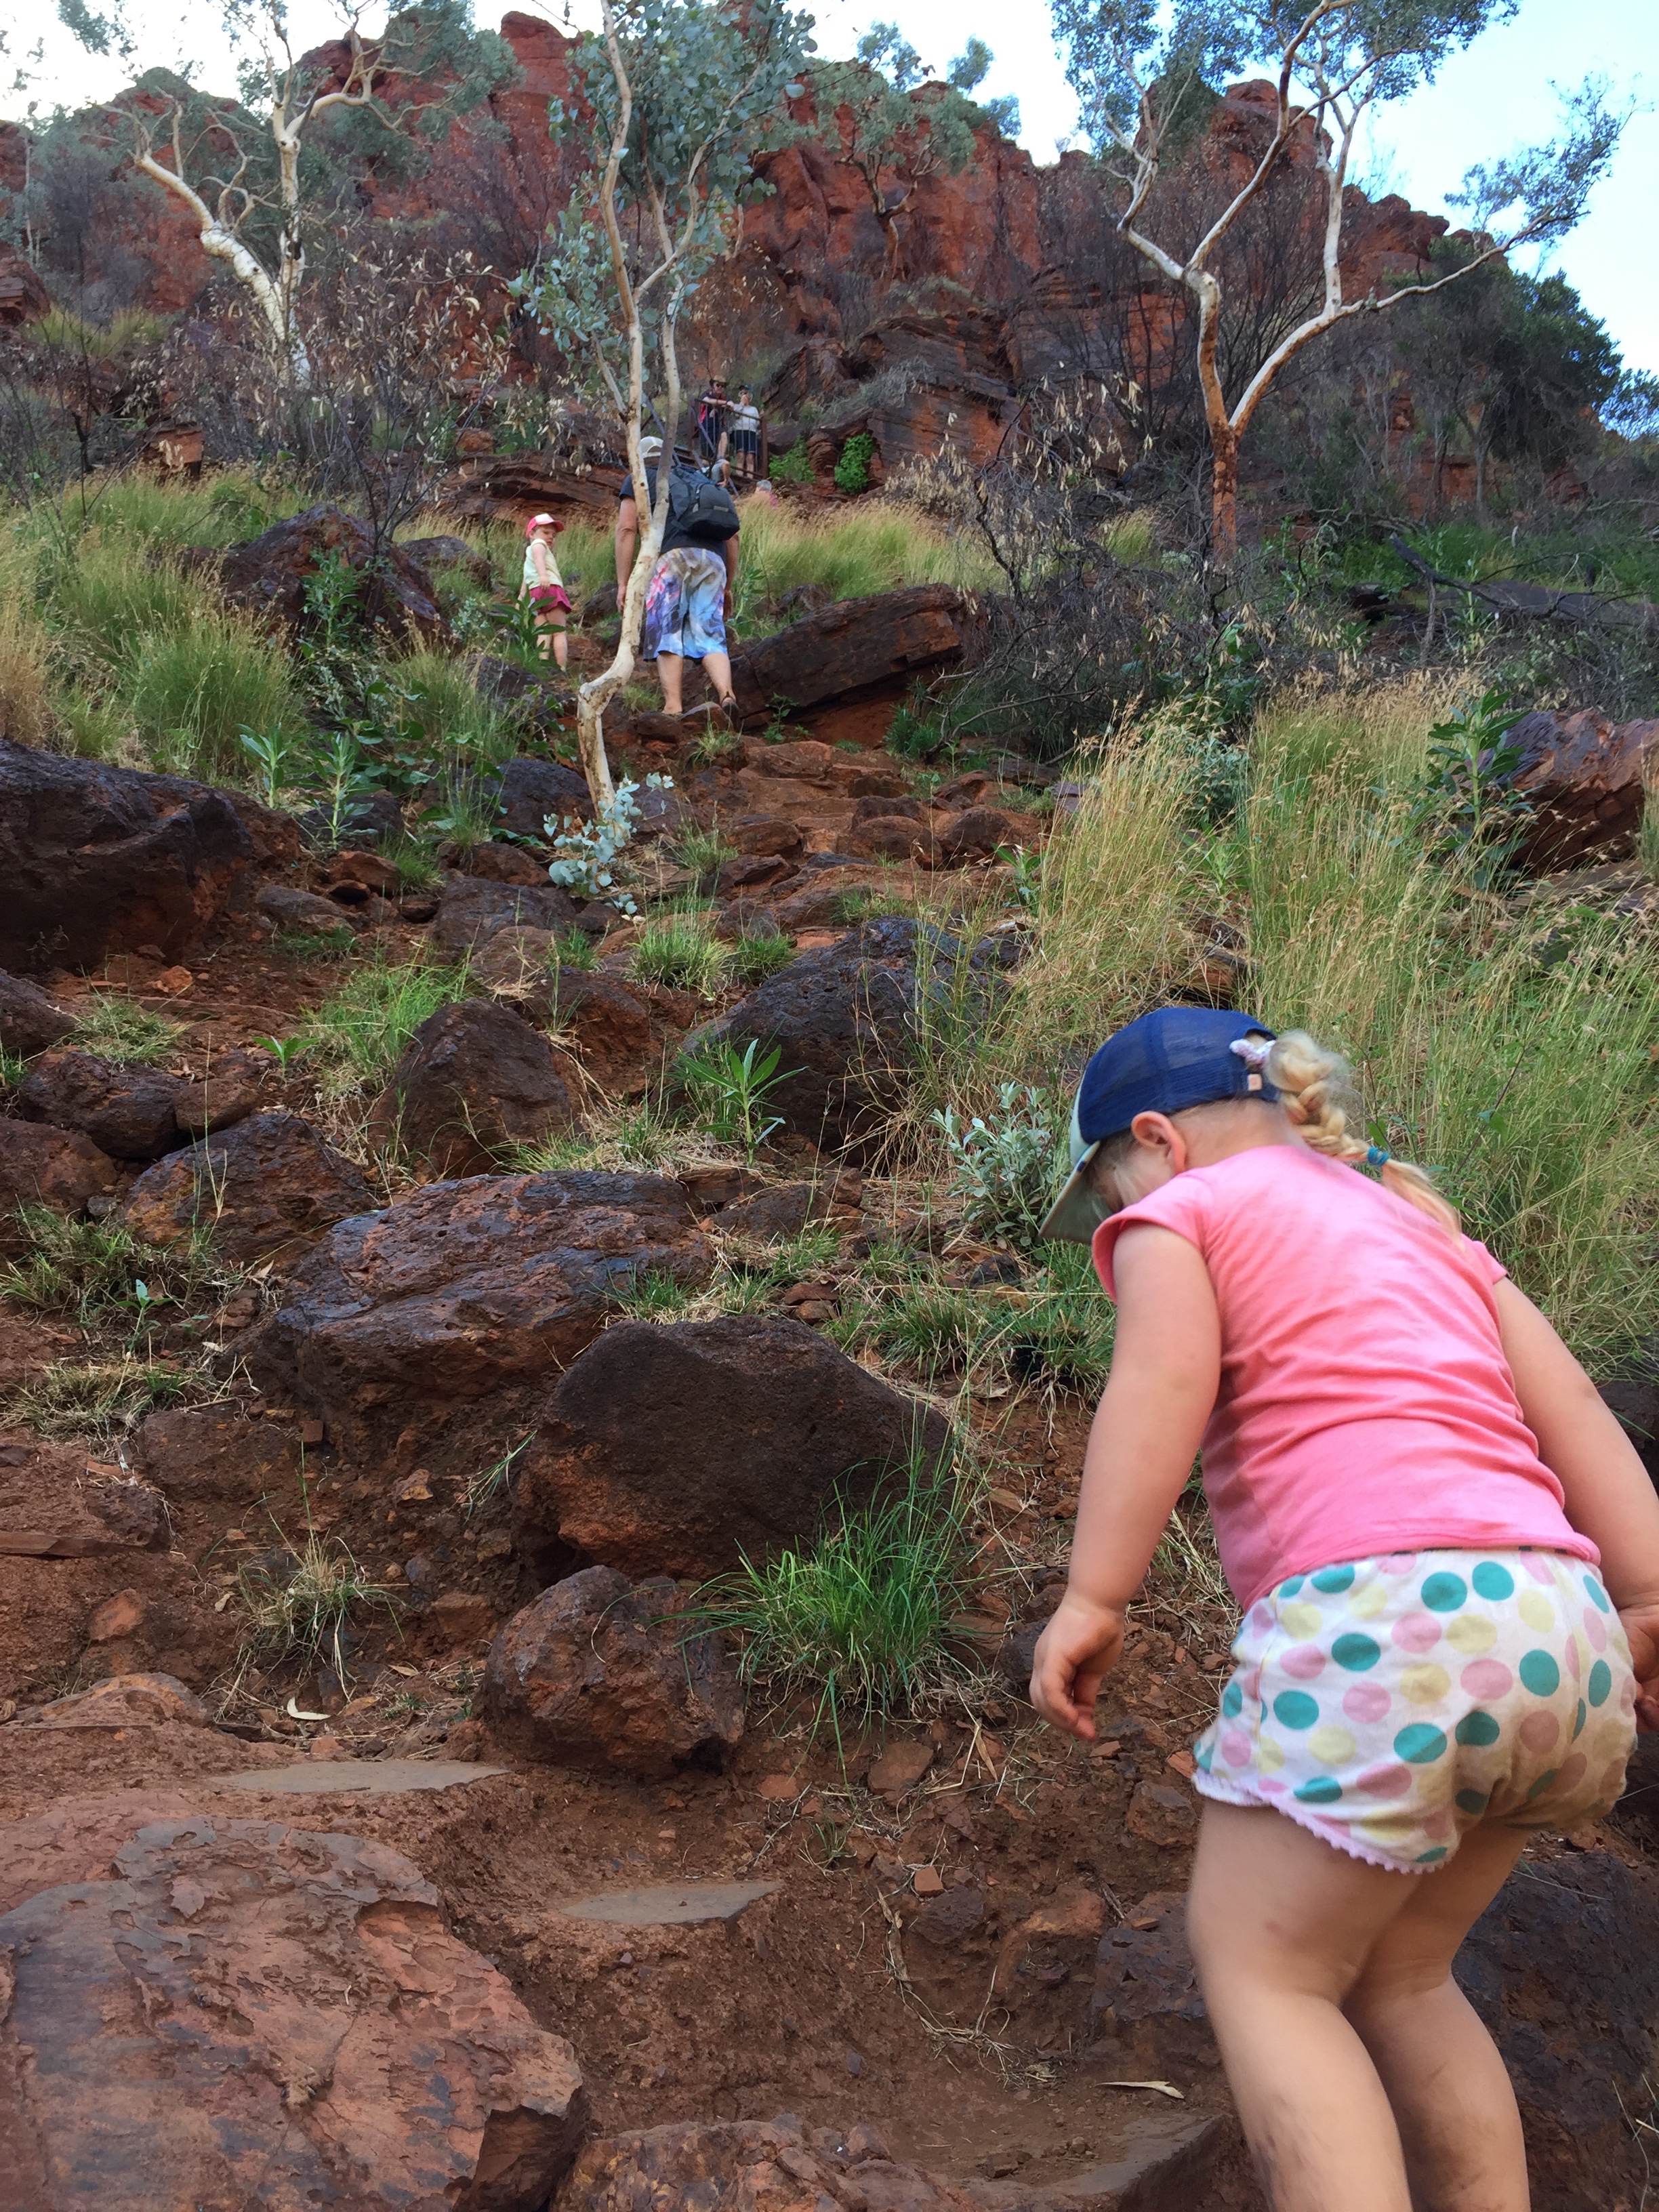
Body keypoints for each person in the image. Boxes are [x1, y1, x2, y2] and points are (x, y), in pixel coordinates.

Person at [1030, 1006, 1658, 2212]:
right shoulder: (1426, 1225)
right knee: (1406, 1979)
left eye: (1105, 1191)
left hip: (1388, 1626)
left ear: (1155, 1140)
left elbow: (1159, 1380)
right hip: (1563, 1630)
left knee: (1267, 1971)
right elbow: (1574, 1406)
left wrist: (1093, 1592)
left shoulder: (1182, 1213)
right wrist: (1644, 1595)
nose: (1112, 1217)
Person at [614, 433, 741, 720]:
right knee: (710, 633)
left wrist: (623, 583)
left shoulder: (640, 478)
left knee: (667, 631)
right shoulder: (699, 479)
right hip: (713, 559)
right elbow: (733, 537)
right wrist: (728, 587)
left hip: (671, 558)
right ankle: (727, 694)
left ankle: (673, 707)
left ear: (640, 459)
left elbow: (626, 529)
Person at [518, 511, 570, 670]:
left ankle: (543, 663)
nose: (550, 537)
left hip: (535, 594)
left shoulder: (529, 557)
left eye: (553, 535)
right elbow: (540, 558)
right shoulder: (539, 545)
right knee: (559, 631)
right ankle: (561, 668)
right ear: (531, 534)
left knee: (543, 631)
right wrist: (544, 575)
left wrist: (520, 601)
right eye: (546, 532)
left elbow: (526, 581)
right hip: (550, 588)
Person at [695, 376, 729, 468]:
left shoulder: (725, 397)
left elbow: (732, 405)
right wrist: (724, 403)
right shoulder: (707, 394)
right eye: (718, 385)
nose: (720, 387)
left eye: (722, 386)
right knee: (706, 457)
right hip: (707, 426)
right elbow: (707, 401)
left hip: (719, 426)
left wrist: (722, 404)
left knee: (724, 435)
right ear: (713, 385)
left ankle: (720, 459)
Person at [729, 384, 761, 483]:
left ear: (749, 395)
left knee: (750, 456)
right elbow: (736, 415)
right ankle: (739, 478)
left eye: (745, 393)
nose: (743, 395)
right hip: (740, 431)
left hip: (751, 432)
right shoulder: (736, 406)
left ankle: (750, 480)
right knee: (741, 454)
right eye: (741, 393)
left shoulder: (754, 409)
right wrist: (742, 404)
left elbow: (757, 423)